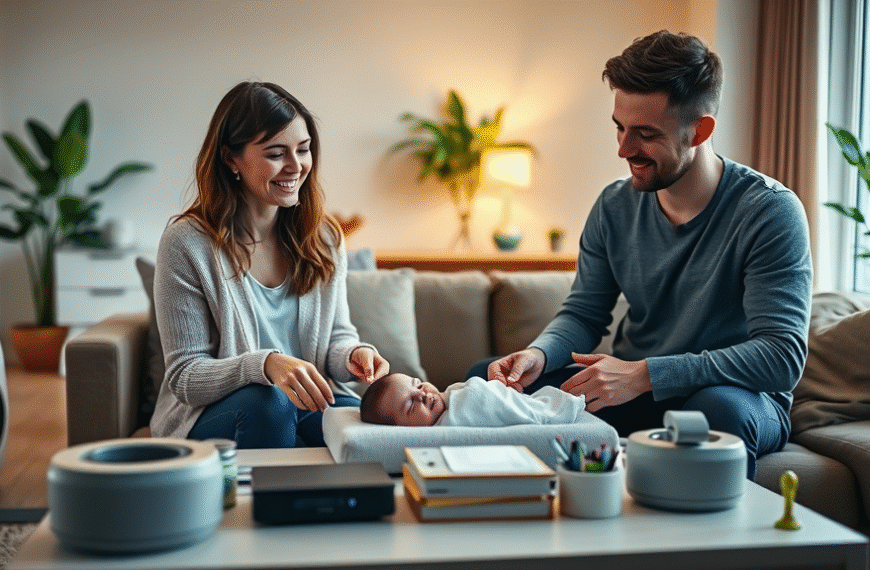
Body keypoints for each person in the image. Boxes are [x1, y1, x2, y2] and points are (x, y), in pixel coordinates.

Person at [470, 31, 812, 479]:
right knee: (487, 383)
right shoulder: (614, 207)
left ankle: (710, 550)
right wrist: (540, 353)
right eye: (619, 127)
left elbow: (781, 358)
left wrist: (645, 374)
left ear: (700, 130)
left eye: (645, 134)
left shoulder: (769, 212)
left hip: (736, 395)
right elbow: (585, 314)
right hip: (638, 387)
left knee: (715, 413)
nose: (624, 149)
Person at [150, 81, 390, 448]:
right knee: (271, 404)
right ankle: (264, 507)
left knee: (370, 422)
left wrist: (355, 356)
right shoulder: (187, 242)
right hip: (215, 412)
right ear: (231, 158)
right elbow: (185, 376)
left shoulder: (324, 237)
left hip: (304, 402)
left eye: (304, 150)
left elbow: (337, 337)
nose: (296, 166)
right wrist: (264, 365)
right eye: (276, 153)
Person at [359, 373, 587, 427]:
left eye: (417, 384)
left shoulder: (449, 396)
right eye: (410, 405)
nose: (421, 394)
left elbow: (496, 398)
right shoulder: (447, 423)